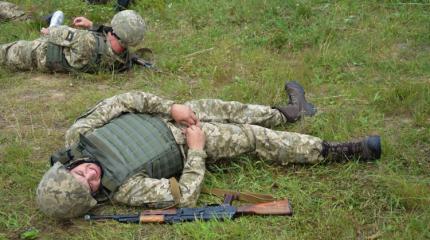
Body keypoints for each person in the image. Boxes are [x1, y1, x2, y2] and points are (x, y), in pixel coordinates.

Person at [36, 82, 381, 219]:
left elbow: (124, 100)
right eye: (89, 186)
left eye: (80, 173)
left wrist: (172, 108)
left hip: (164, 119)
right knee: (252, 137)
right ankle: (338, 151)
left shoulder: (79, 135)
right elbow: (185, 195)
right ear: (94, 199)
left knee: (221, 106)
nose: (90, 174)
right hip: (187, 145)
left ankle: (288, 112)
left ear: (66, 167)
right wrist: (197, 149)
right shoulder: (125, 188)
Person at [0, 10, 145, 73]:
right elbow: (111, 36)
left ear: (115, 32)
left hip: (39, 54)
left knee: (6, 51)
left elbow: (59, 33)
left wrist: (49, 31)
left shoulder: (86, 41)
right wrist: (91, 25)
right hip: (67, 56)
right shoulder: (123, 60)